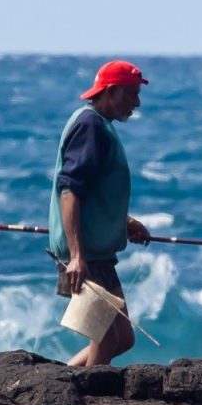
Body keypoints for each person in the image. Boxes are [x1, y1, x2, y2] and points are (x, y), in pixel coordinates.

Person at [48, 60, 151, 366]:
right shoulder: (90, 125)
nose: (137, 102)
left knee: (122, 338)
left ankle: (64, 378)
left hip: (98, 254)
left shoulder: (100, 125)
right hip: (87, 256)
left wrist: (123, 223)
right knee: (104, 337)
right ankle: (85, 403)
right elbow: (70, 191)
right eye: (131, 94)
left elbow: (95, 193)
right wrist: (77, 256)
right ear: (111, 91)